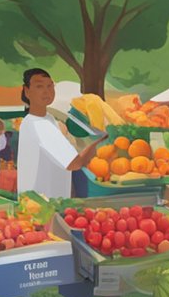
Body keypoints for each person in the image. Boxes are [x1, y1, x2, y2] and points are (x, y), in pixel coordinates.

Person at [16, 68, 104, 199]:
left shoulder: (45, 119)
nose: (47, 91)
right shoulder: (40, 125)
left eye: (50, 86)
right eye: (39, 86)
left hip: (47, 200)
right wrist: (100, 140)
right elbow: (75, 163)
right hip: (43, 204)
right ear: (27, 91)